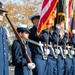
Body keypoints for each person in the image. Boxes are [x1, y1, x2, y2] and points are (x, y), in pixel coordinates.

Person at [0, 2, 9, 75]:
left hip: (4, 66)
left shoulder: (3, 30)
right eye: (0, 13)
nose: (2, 15)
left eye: (2, 13)